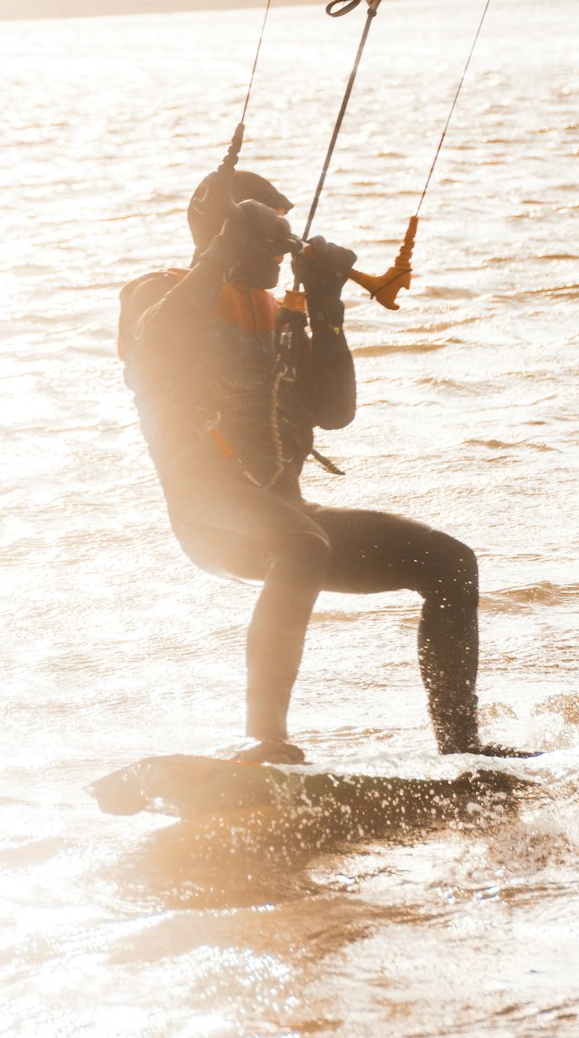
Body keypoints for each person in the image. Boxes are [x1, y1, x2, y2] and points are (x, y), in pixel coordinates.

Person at [118, 162, 524, 764]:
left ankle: (462, 750)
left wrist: (328, 303)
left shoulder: (277, 313)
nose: (282, 255)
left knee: (449, 562)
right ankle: (264, 740)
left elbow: (333, 413)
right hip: (207, 507)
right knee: (303, 545)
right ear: (223, 233)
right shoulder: (157, 294)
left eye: (287, 239)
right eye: (269, 238)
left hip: (284, 511)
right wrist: (222, 253)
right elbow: (156, 344)